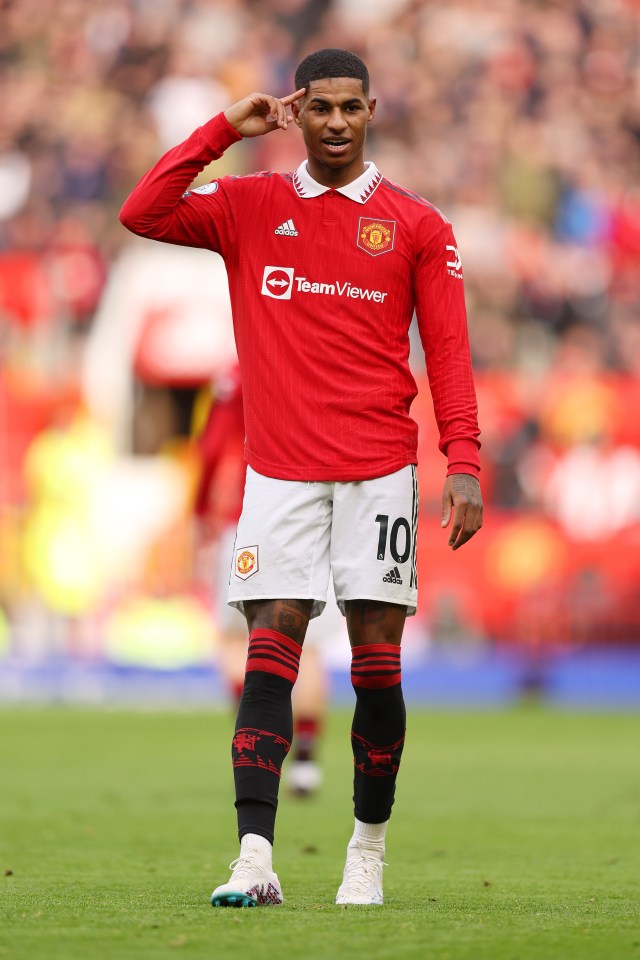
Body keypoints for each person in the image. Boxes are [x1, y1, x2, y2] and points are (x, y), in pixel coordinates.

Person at [120, 47, 483, 908]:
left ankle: (367, 850)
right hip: (279, 474)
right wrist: (222, 131)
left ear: (371, 111)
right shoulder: (251, 205)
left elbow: (452, 356)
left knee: (376, 670)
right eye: (318, 107)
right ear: (298, 111)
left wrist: (461, 459)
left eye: (350, 108)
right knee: (267, 661)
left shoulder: (416, 225)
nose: (334, 123)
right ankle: (255, 858)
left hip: (379, 472)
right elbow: (143, 210)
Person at [192, 365, 334, 795]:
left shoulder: (236, 375)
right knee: (305, 646)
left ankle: (257, 752)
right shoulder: (318, 363)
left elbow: (211, 449)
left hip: (251, 518)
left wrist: (199, 513)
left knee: (237, 641)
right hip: (315, 520)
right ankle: (306, 761)